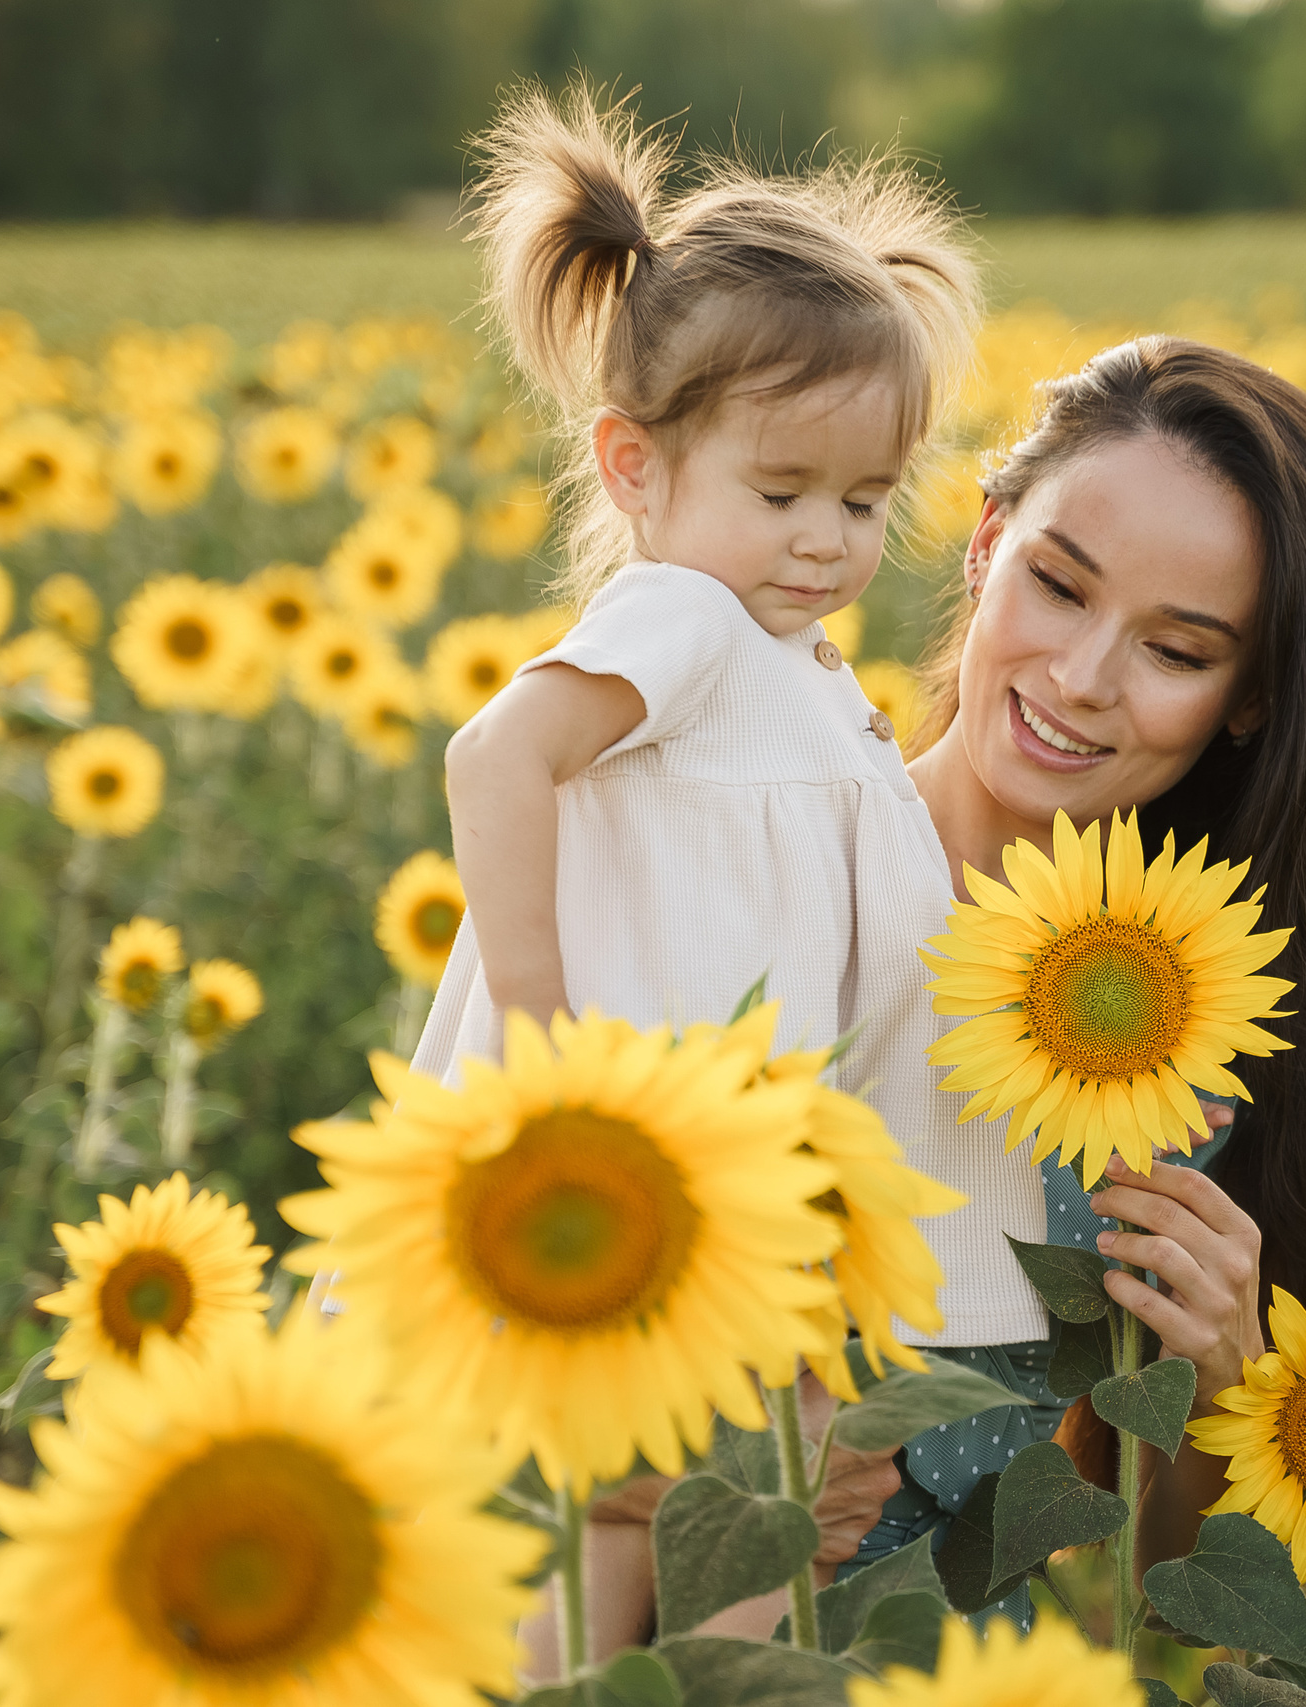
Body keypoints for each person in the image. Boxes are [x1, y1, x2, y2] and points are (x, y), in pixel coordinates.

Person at [410, 86, 1002, 1675]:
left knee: (700, 1530)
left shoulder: (795, 665)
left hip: (739, 1209)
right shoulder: (682, 622)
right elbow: (491, 759)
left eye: (867, 503)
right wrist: (542, 1046)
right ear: (635, 467)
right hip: (648, 1180)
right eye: (783, 491)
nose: (825, 541)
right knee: (676, 1532)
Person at [866, 332, 1306, 1584]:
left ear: (1249, 699)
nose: (1081, 680)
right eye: (1059, 586)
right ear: (984, 548)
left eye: (1177, 651)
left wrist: (1219, 1376)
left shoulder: (1219, 1040)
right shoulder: (767, 863)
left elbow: (1159, 1593)